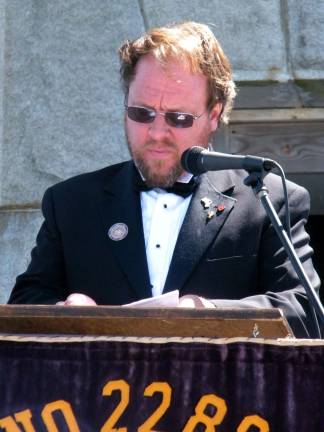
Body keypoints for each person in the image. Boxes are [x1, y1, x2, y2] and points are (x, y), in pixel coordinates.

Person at [8, 21, 320, 337]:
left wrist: (207, 313)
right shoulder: (72, 204)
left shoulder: (267, 199)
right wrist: (64, 313)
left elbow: (303, 311)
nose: (157, 133)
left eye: (179, 118)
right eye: (142, 114)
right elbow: (22, 311)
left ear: (214, 115)